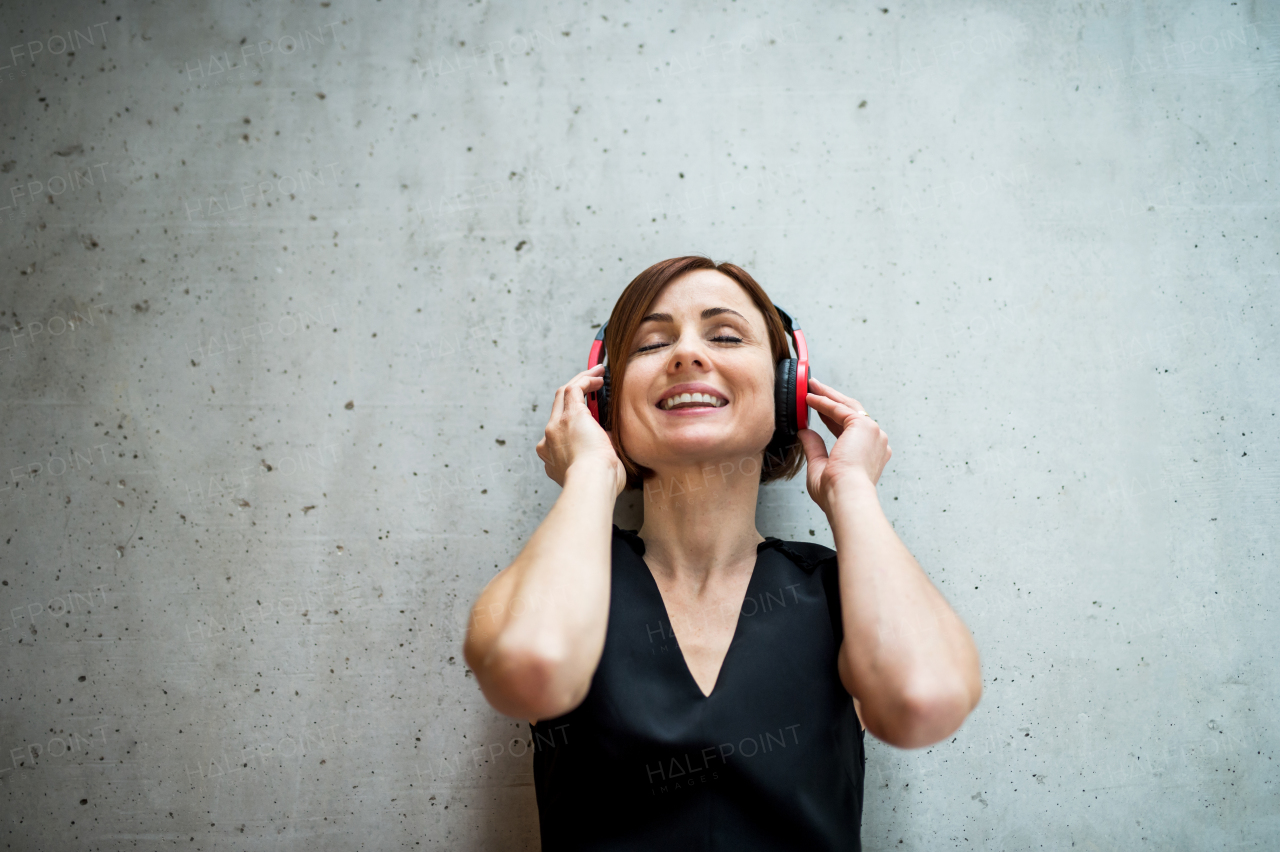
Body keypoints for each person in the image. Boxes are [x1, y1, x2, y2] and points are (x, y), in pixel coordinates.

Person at [463, 256, 982, 850]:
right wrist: (588, 471)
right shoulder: (564, 575)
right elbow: (528, 669)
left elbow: (923, 699)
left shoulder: (840, 590)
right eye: (651, 344)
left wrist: (851, 491)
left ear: (790, 388)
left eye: (726, 335)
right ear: (603, 401)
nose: (687, 355)